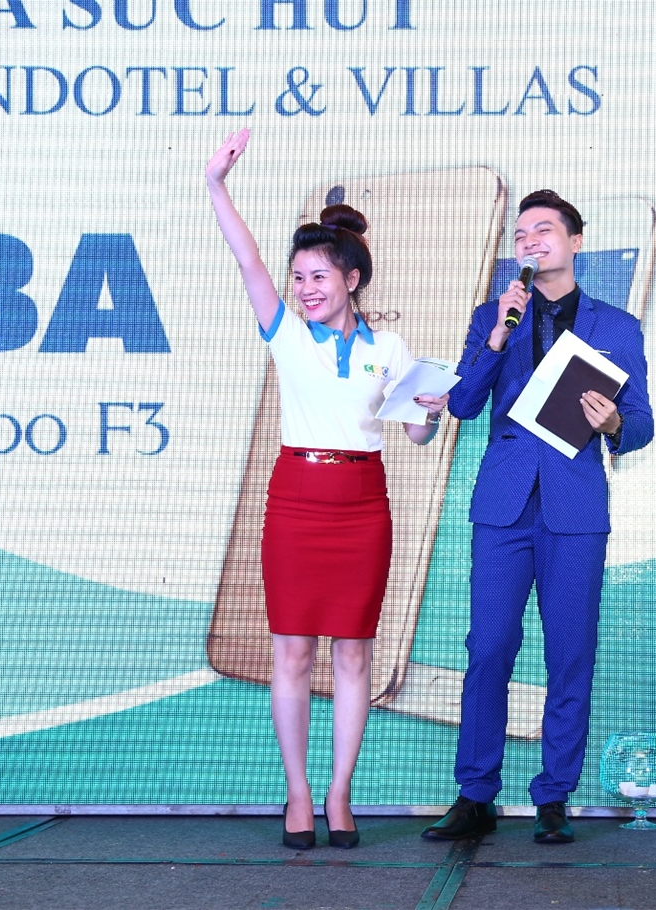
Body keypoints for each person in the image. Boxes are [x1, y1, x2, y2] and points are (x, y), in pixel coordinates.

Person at [206, 128, 448, 851]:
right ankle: (299, 792)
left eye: (319, 276)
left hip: (363, 507)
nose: (306, 289)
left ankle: (341, 792)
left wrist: (431, 414)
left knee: (353, 655)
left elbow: (415, 435)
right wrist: (216, 183)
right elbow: (246, 258)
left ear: (352, 279)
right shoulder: (284, 331)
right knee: (291, 654)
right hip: (296, 502)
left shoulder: (388, 349)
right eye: (299, 277)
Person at [422, 190, 654, 844]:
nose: (530, 241)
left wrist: (614, 423)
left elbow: (641, 424)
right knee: (489, 647)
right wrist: (498, 335)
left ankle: (555, 795)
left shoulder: (617, 327)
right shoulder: (493, 315)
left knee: (570, 653)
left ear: (575, 242)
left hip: (574, 507)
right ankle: (476, 793)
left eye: (544, 230)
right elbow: (463, 403)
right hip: (504, 505)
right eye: (521, 234)